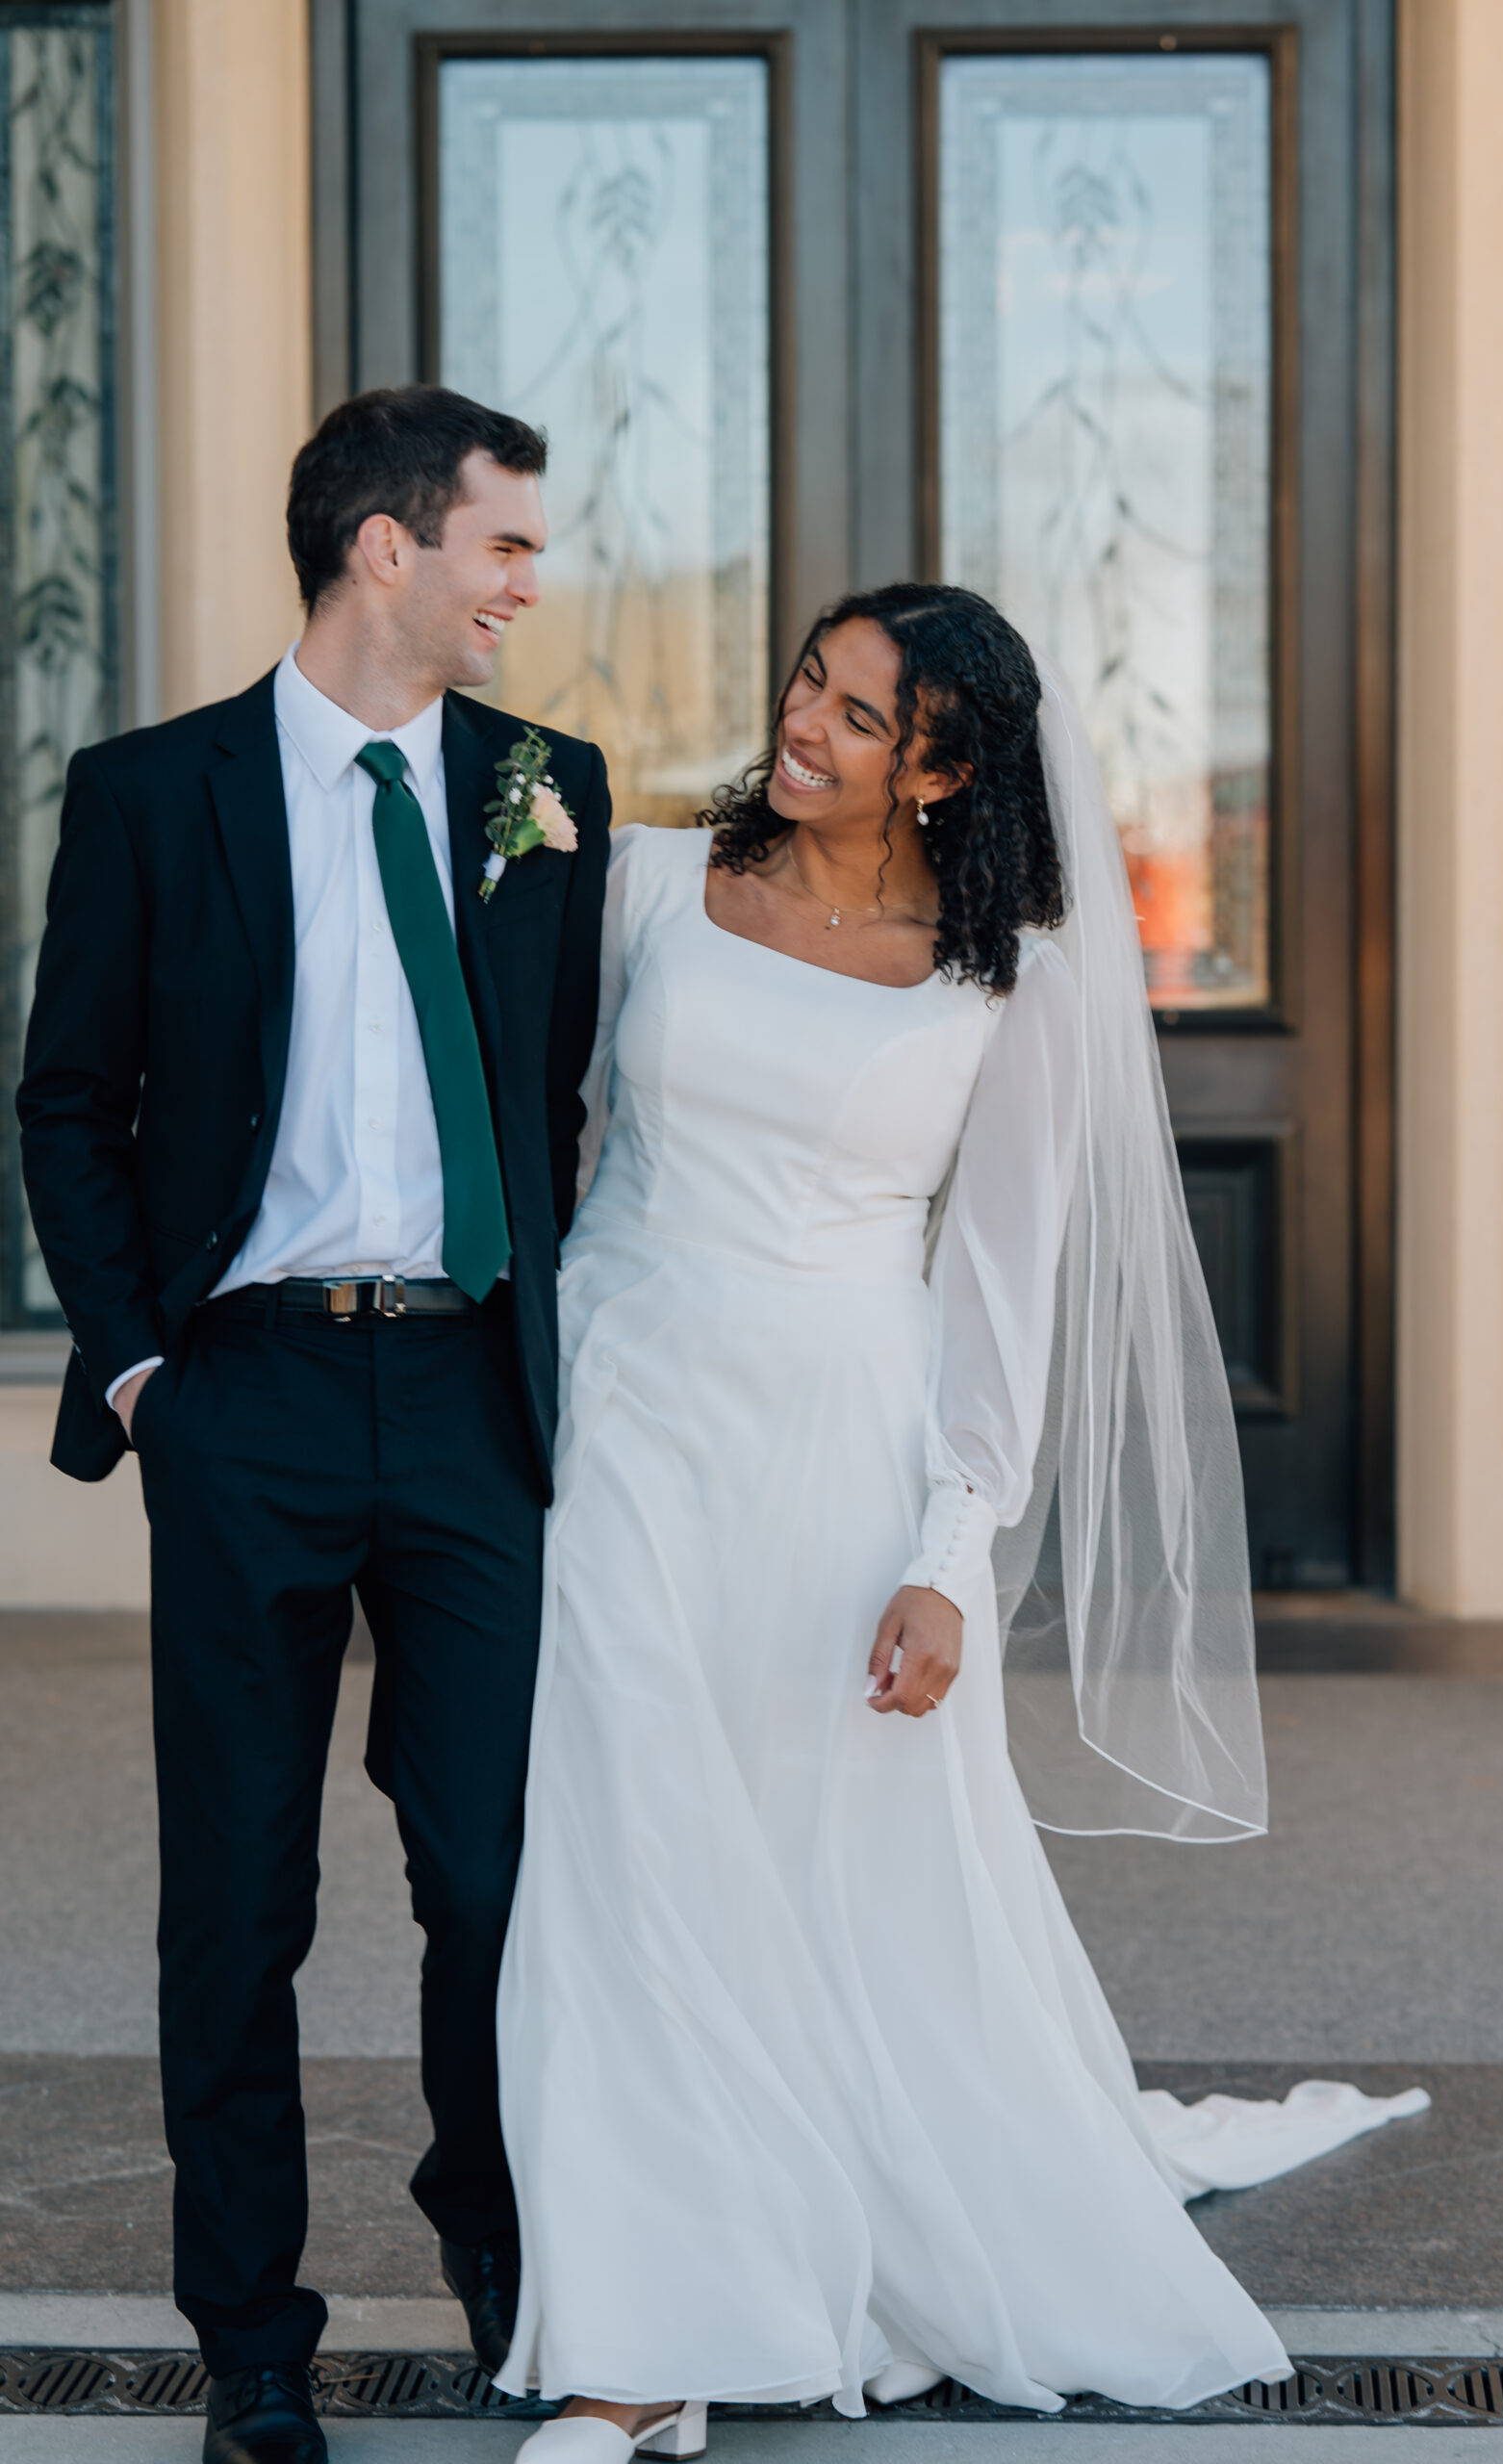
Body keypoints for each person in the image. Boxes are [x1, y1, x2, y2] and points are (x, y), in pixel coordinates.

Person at [495, 583, 1425, 2463]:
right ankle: (642, 2343)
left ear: (948, 765)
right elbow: (552, 1129)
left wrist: (950, 1552)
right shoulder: (649, 885)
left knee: (833, 1865)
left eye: (860, 713)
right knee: (619, 1855)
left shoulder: (1004, 977)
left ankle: (846, 2215)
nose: (806, 725)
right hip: (621, 1410)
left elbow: (1001, 1293)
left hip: (840, 1442)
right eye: (808, 684)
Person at [16, 385, 610, 2464]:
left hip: (467, 1394)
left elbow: (562, 1097)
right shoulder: (153, 790)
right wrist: (149, 1369)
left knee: (502, 1870)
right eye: (505, 545)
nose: (530, 583)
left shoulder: (552, 786)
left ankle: (514, 2259)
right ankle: (250, 2335)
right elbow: (68, 1102)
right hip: (246, 1390)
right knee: (239, 1890)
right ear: (388, 546)